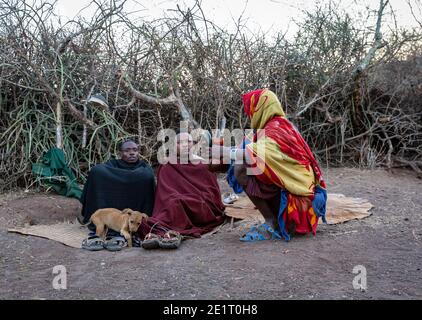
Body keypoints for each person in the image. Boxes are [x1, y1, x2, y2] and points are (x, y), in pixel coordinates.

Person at [212, 89, 327, 242]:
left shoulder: (276, 130)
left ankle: (271, 222)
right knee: (243, 157)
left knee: (241, 168)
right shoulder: (276, 127)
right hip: (298, 194)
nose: (250, 115)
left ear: (261, 109)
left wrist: (225, 150)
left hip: (301, 204)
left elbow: (251, 154)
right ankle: (274, 220)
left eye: (252, 110)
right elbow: (249, 150)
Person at [137, 131, 226, 249]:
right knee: (173, 202)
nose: (185, 145)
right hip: (176, 200)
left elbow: (212, 192)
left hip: (200, 202)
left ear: (193, 144)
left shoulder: (203, 164)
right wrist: (178, 196)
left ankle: (166, 232)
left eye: (188, 142)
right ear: (174, 146)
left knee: (181, 202)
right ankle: (164, 232)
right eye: (180, 142)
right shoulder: (167, 165)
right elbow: (164, 192)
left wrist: (200, 197)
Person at [80, 139, 155, 251]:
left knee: (145, 176)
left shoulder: (144, 168)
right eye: (127, 150)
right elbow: (99, 170)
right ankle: (103, 221)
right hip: (109, 211)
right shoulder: (113, 164)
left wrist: (128, 178)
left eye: (135, 150)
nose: (132, 153)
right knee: (96, 171)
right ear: (120, 153)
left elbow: (148, 177)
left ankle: (130, 227)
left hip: (133, 216)